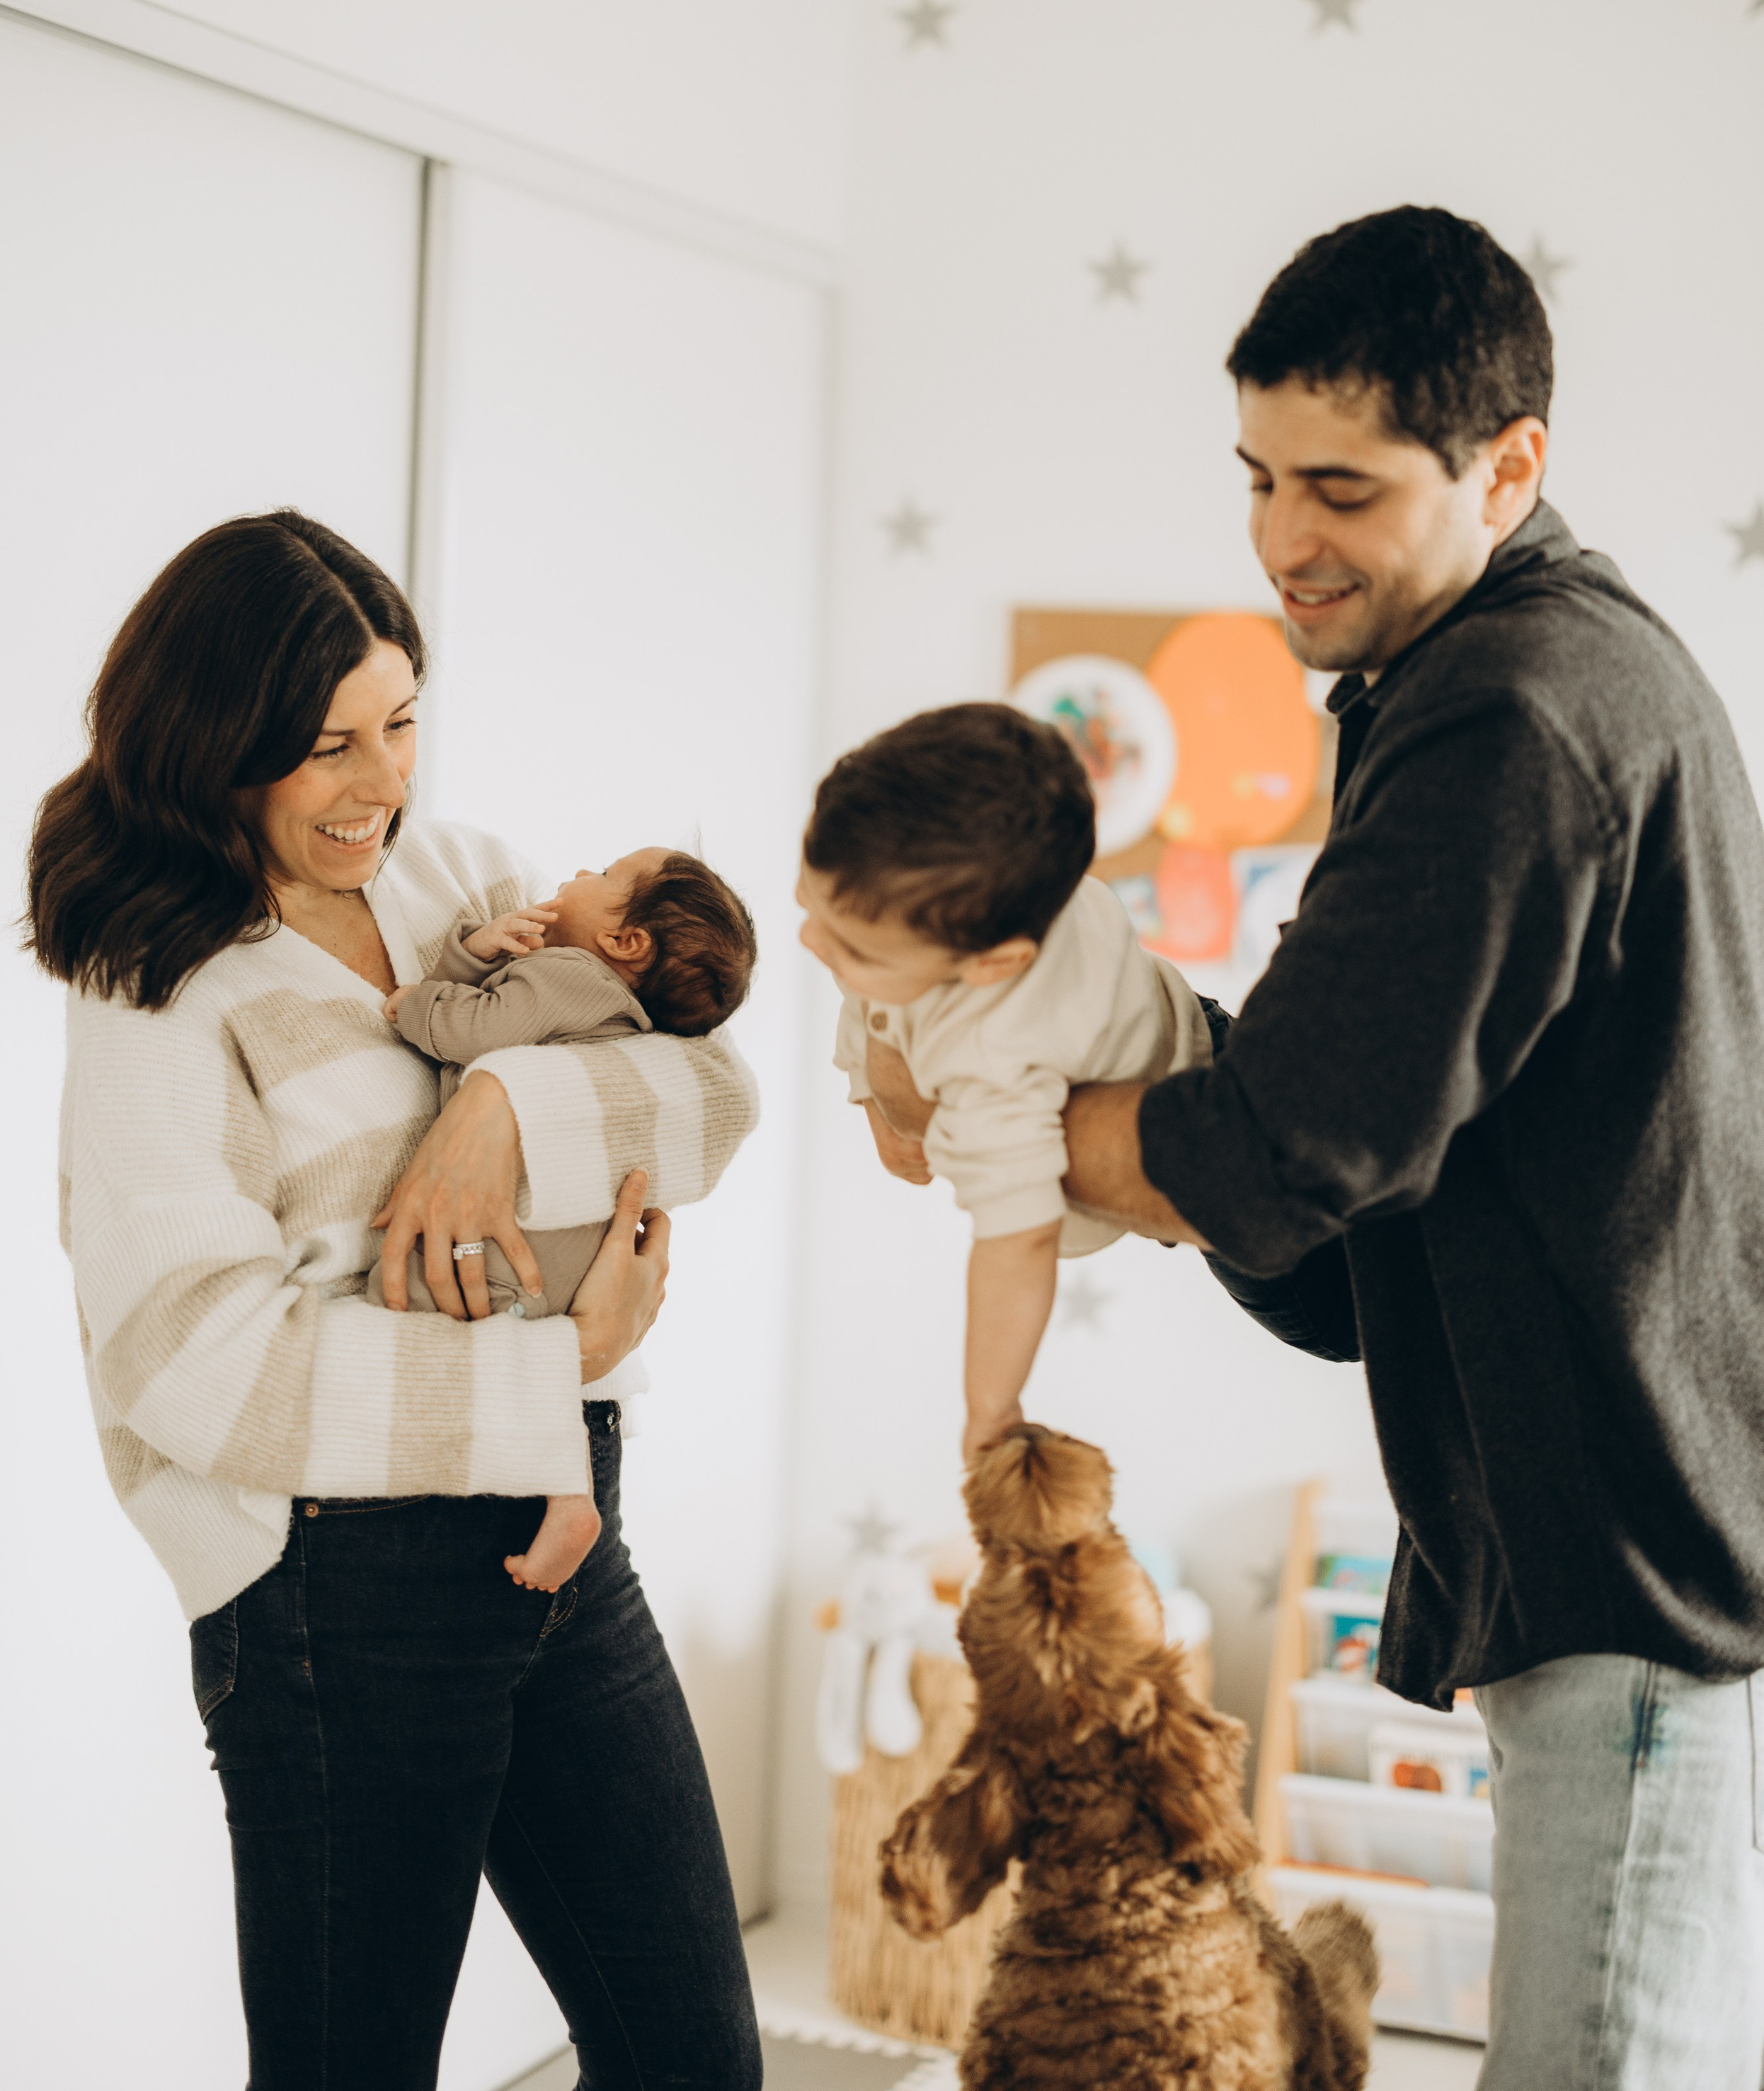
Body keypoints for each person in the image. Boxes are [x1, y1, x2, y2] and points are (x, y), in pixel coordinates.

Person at [1043, 205, 1764, 2090]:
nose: (1281, 540)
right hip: (1633, 1577)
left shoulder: (1512, 705)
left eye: (1343, 490)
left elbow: (1288, 1150)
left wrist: (1013, 1120)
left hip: (1648, 1589)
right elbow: (1343, 1179)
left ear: (1506, 465)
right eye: (1256, 478)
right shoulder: (1484, 671)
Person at [30, 508, 764, 2091]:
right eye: (328, 747)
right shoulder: (158, 985)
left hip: (566, 1534)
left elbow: (712, 1096)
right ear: (214, 745)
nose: (385, 783)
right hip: (336, 1588)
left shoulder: (459, 877)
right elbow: (193, 1366)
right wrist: (558, 1371)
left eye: (403, 723)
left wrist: (503, 1106)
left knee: (695, 2061)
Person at [797, 702, 1215, 1461]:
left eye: (853, 950)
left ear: (992, 965)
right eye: (810, 905)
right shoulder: (941, 904)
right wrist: (870, 1089)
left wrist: (991, 1407)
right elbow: (877, 995)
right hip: (1152, 1004)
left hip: (1190, 1135)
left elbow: (1018, 1240)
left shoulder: (997, 1053)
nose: (811, 941)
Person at [375, 845, 757, 1591]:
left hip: (515, 1241)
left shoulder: (569, 976)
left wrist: (411, 1004)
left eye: (606, 877)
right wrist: (479, 952)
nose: (581, 875)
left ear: (625, 941)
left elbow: (472, 1031)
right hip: (572, 1244)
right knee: (540, 1360)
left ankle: (561, 1495)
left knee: (429, 1317)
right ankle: (569, 1496)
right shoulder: (615, 1009)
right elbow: (496, 1014)